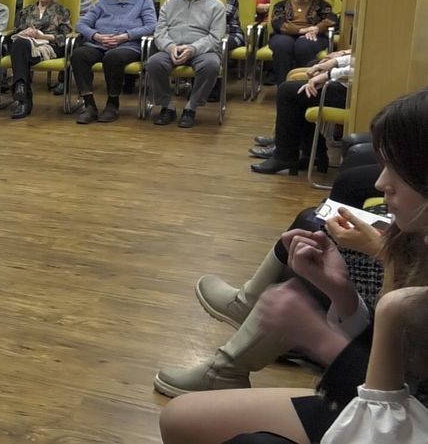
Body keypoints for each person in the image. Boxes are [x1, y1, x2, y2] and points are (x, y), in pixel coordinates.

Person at [159, 88, 428, 444]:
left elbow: (392, 418)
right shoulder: (412, 241)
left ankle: (236, 334)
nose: (380, 183)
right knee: (180, 419)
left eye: (398, 169)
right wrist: (339, 291)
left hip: (396, 420)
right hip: (387, 406)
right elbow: (392, 370)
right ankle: (234, 340)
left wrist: (320, 338)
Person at [73, 0, 156, 124]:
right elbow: (80, 24)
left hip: (128, 45)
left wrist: (125, 36)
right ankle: (89, 105)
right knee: (78, 55)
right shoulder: (103, 1)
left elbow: (151, 26)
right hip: (99, 43)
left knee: (113, 57)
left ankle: (112, 104)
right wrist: (96, 36)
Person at [147, 0, 225, 128]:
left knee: (211, 65)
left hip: (202, 50)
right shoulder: (169, 3)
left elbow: (216, 36)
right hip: (172, 48)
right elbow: (159, 32)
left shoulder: (216, 6)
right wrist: (171, 47)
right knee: (154, 63)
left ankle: (191, 107)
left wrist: (193, 48)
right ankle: (167, 106)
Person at [251, 50, 352, 174]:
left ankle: (285, 156)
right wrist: (335, 62)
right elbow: (359, 58)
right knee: (298, 90)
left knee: (287, 92)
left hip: (354, 92)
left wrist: (329, 75)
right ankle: (312, 153)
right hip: (349, 84)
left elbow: (361, 66)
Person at [8, 0, 72, 119]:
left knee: (20, 49)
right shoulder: (26, 10)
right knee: (20, 43)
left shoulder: (62, 11)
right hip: (26, 45)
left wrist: (41, 36)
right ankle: (22, 90)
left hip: (50, 45)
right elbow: (17, 30)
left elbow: (64, 36)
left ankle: (23, 95)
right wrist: (24, 32)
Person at [267, 0, 337, 86]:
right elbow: (278, 23)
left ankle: (304, 85)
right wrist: (302, 30)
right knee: (282, 45)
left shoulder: (321, 5)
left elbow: (332, 20)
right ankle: (283, 86)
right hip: (284, 35)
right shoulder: (281, 5)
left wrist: (317, 28)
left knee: (304, 45)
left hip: (314, 36)